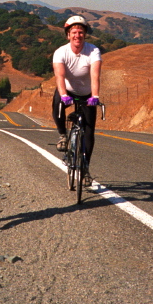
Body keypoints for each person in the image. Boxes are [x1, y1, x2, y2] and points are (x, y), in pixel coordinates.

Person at [52, 14, 102, 185]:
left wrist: (95, 96)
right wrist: (64, 94)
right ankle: (62, 135)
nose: (77, 35)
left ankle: (85, 169)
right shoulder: (61, 52)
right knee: (57, 104)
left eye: (80, 32)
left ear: (85, 34)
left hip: (88, 94)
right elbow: (59, 76)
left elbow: (95, 75)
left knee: (89, 131)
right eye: (74, 32)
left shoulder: (93, 51)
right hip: (68, 90)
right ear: (68, 35)